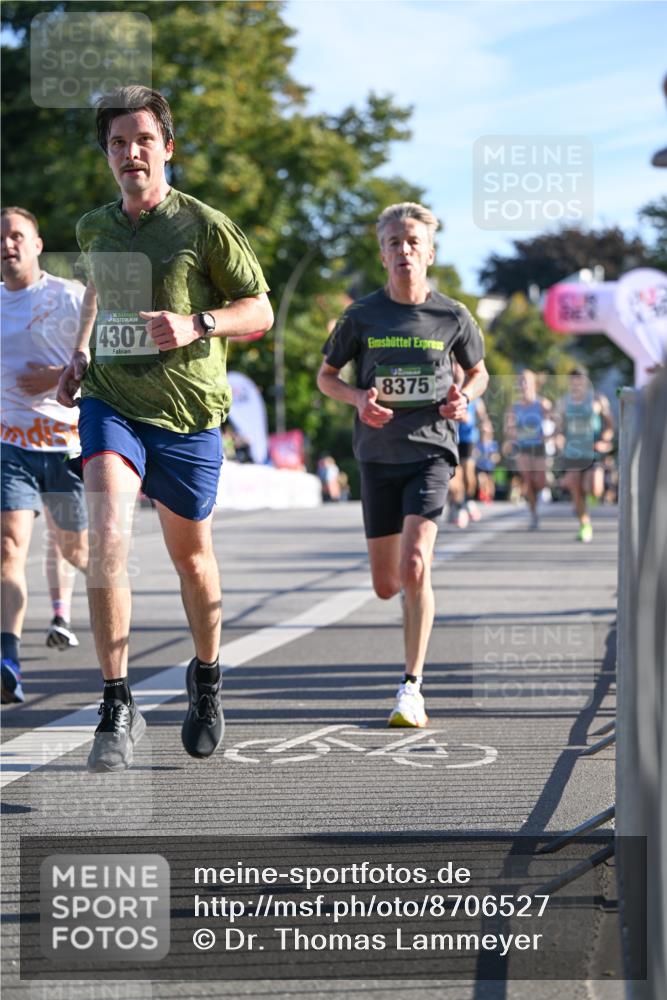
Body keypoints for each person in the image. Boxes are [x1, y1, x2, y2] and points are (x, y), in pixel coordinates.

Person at [56, 86, 273, 771]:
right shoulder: (94, 228)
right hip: (111, 401)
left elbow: (259, 309)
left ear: (167, 147)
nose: (131, 153)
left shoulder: (206, 226)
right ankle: (116, 702)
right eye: (117, 143)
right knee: (107, 537)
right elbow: (97, 289)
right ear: (107, 156)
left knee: (192, 561)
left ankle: (206, 675)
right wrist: (81, 352)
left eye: (143, 140)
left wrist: (198, 323)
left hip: (186, 414)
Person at [317, 202, 487, 728]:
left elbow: (479, 372)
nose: (404, 250)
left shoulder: (452, 316)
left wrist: (464, 397)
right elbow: (326, 376)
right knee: (387, 584)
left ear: (429, 253)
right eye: (394, 242)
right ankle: (406, 620)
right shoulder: (361, 316)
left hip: (431, 451)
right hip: (377, 457)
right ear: (382, 253)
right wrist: (356, 398)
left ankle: (411, 688)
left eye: (413, 241)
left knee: (416, 564)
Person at [1, 207, 88, 705]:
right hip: (10, 444)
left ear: (36, 244)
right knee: (9, 546)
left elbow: (108, 358)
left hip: (66, 446)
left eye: (16, 236)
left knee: (77, 552)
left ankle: (105, 607)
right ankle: (8, 660)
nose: (7, 244)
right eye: (0, 238)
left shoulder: (69, 297)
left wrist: (57, 376)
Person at [555, 368, 614, 542]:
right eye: (573, 381)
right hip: (573, 451)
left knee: (594, 488)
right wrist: (558, 438)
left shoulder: (598, 399)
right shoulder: (564, 402)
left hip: (593, 450)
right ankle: (584, 524)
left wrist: (605, 439)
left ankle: (586, 501)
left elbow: (609, 425)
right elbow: (559, 427)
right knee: (575, 487)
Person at [502, 369, 551, 530]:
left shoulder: (543, 404)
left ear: (534, 384)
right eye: (520, 382)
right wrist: (511, 439)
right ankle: (534, 513)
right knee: (528, 481)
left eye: (526, 381)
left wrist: (551, 434)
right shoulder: (514, 408)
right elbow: (509, 429)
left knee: (541, 481)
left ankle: (540, 493)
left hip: (539, 447)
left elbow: (552, 424)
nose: (523, 385)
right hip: (523, 448)